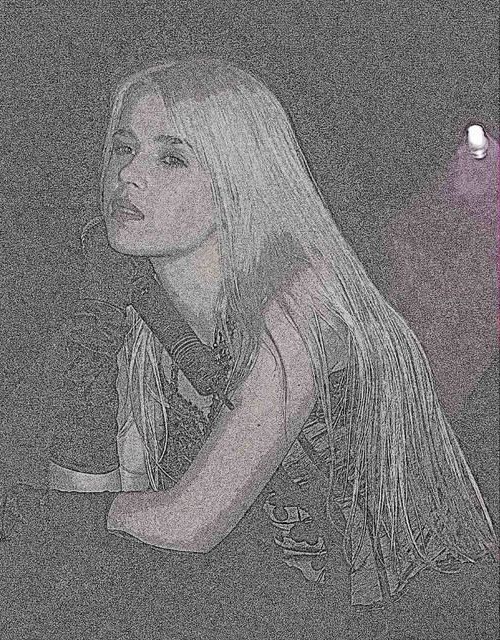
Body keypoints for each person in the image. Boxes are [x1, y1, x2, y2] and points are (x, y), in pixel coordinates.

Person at [44, 57, 498, 638]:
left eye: (172, 158)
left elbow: (190, 521)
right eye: (123, 148)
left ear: (240, 178)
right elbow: (117, 493)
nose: (129, 175)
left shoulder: (299, 300)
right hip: (292, 607)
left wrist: (39, 516)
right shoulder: (144, 314)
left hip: (420, 613)